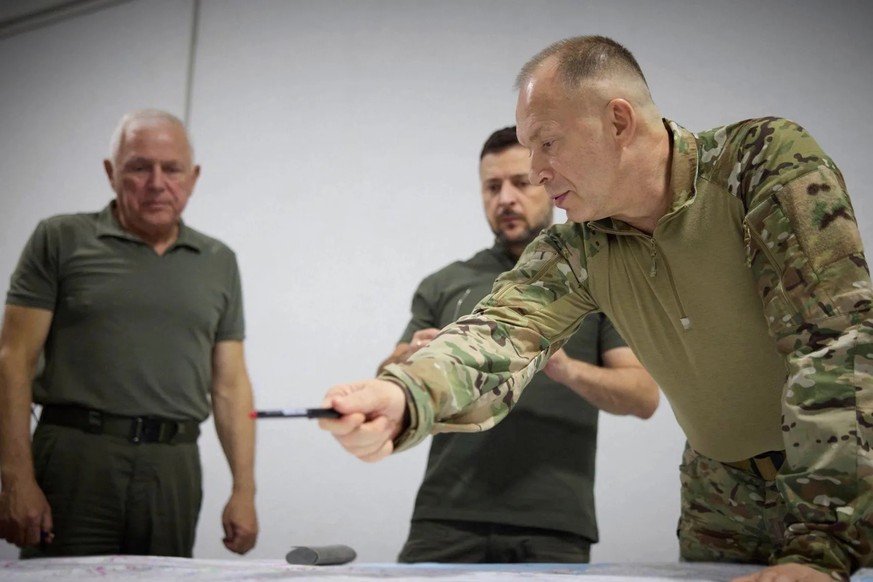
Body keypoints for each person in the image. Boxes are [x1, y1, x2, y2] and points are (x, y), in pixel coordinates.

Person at [319, 36, 873, 581]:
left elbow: (835, 342)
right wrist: (404, 396)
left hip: (838, 476)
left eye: (547, 142)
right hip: (718, 494)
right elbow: (498, 332)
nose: (537, 171)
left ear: (618, 121)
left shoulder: (759, 163)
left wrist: (822, 547)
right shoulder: (580, 246)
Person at [379, 127, 658, 564]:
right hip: (445, 515)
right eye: (492, 187)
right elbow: (387, 381)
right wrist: (409, 359)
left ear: (547, 181)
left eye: (520, 183)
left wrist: (566, 368)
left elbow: (643, 397)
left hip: (553, 521)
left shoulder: (597, 279)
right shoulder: (444, 283)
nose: (505, 199)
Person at [0, 109, 258, 558]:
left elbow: (230, 385)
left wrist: (244, 490)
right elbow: (13, 359)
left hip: (173, 465)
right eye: (139, 167)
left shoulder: (219, 261)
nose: (157, 183)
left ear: (193, 177)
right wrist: (16, 478)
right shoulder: (61, 238)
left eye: (172, 169)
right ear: (111, 172)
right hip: (77, 458)